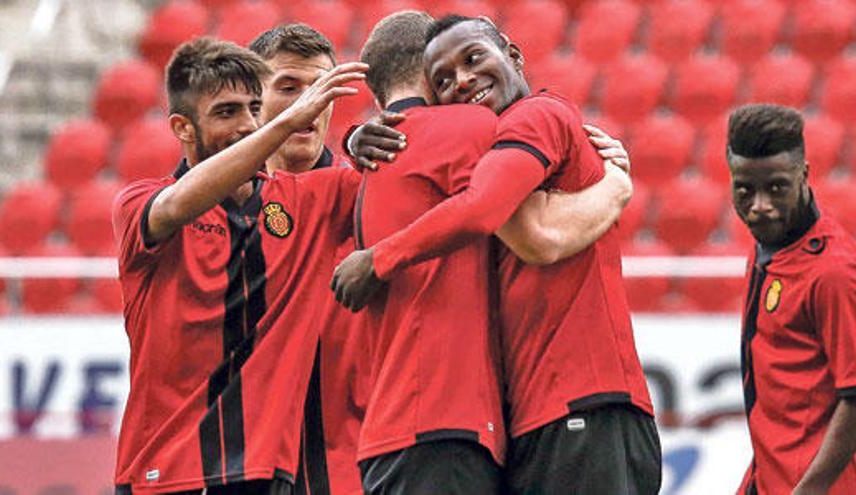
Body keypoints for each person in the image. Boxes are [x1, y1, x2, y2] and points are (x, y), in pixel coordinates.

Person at [333, 15, 660, 494]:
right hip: (536, 418)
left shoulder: (537, 114)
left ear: (513, 54)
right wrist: (354, 137)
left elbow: (533, 235)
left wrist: (380, 256)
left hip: (581, 404)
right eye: (442, 80)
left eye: (473, 58)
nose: (463, 80)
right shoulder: (489, 139)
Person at [111, 36, 367, 494]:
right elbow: (174, 206)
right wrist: (284, 123)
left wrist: (359, 136)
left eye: (253, 109)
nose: (248, 124)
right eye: (227, 113)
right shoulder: (140, 203)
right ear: (183, 127)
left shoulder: (302, 202)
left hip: (261, 473)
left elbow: (402, 176)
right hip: (167, 471)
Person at [248, 24, 367, 495]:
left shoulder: (366, 197)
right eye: (289, 88)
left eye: (321, 87)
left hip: (355, 465)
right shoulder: (223, 206)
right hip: (252, 465)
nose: (308, 104)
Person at [727, 104, 856, 495]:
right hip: (770, 479)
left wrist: (808, 490)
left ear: (804, 175)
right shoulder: (770, 249)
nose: (760, 205)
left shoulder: (834, 271)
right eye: (744, 190)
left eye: (777, 188)